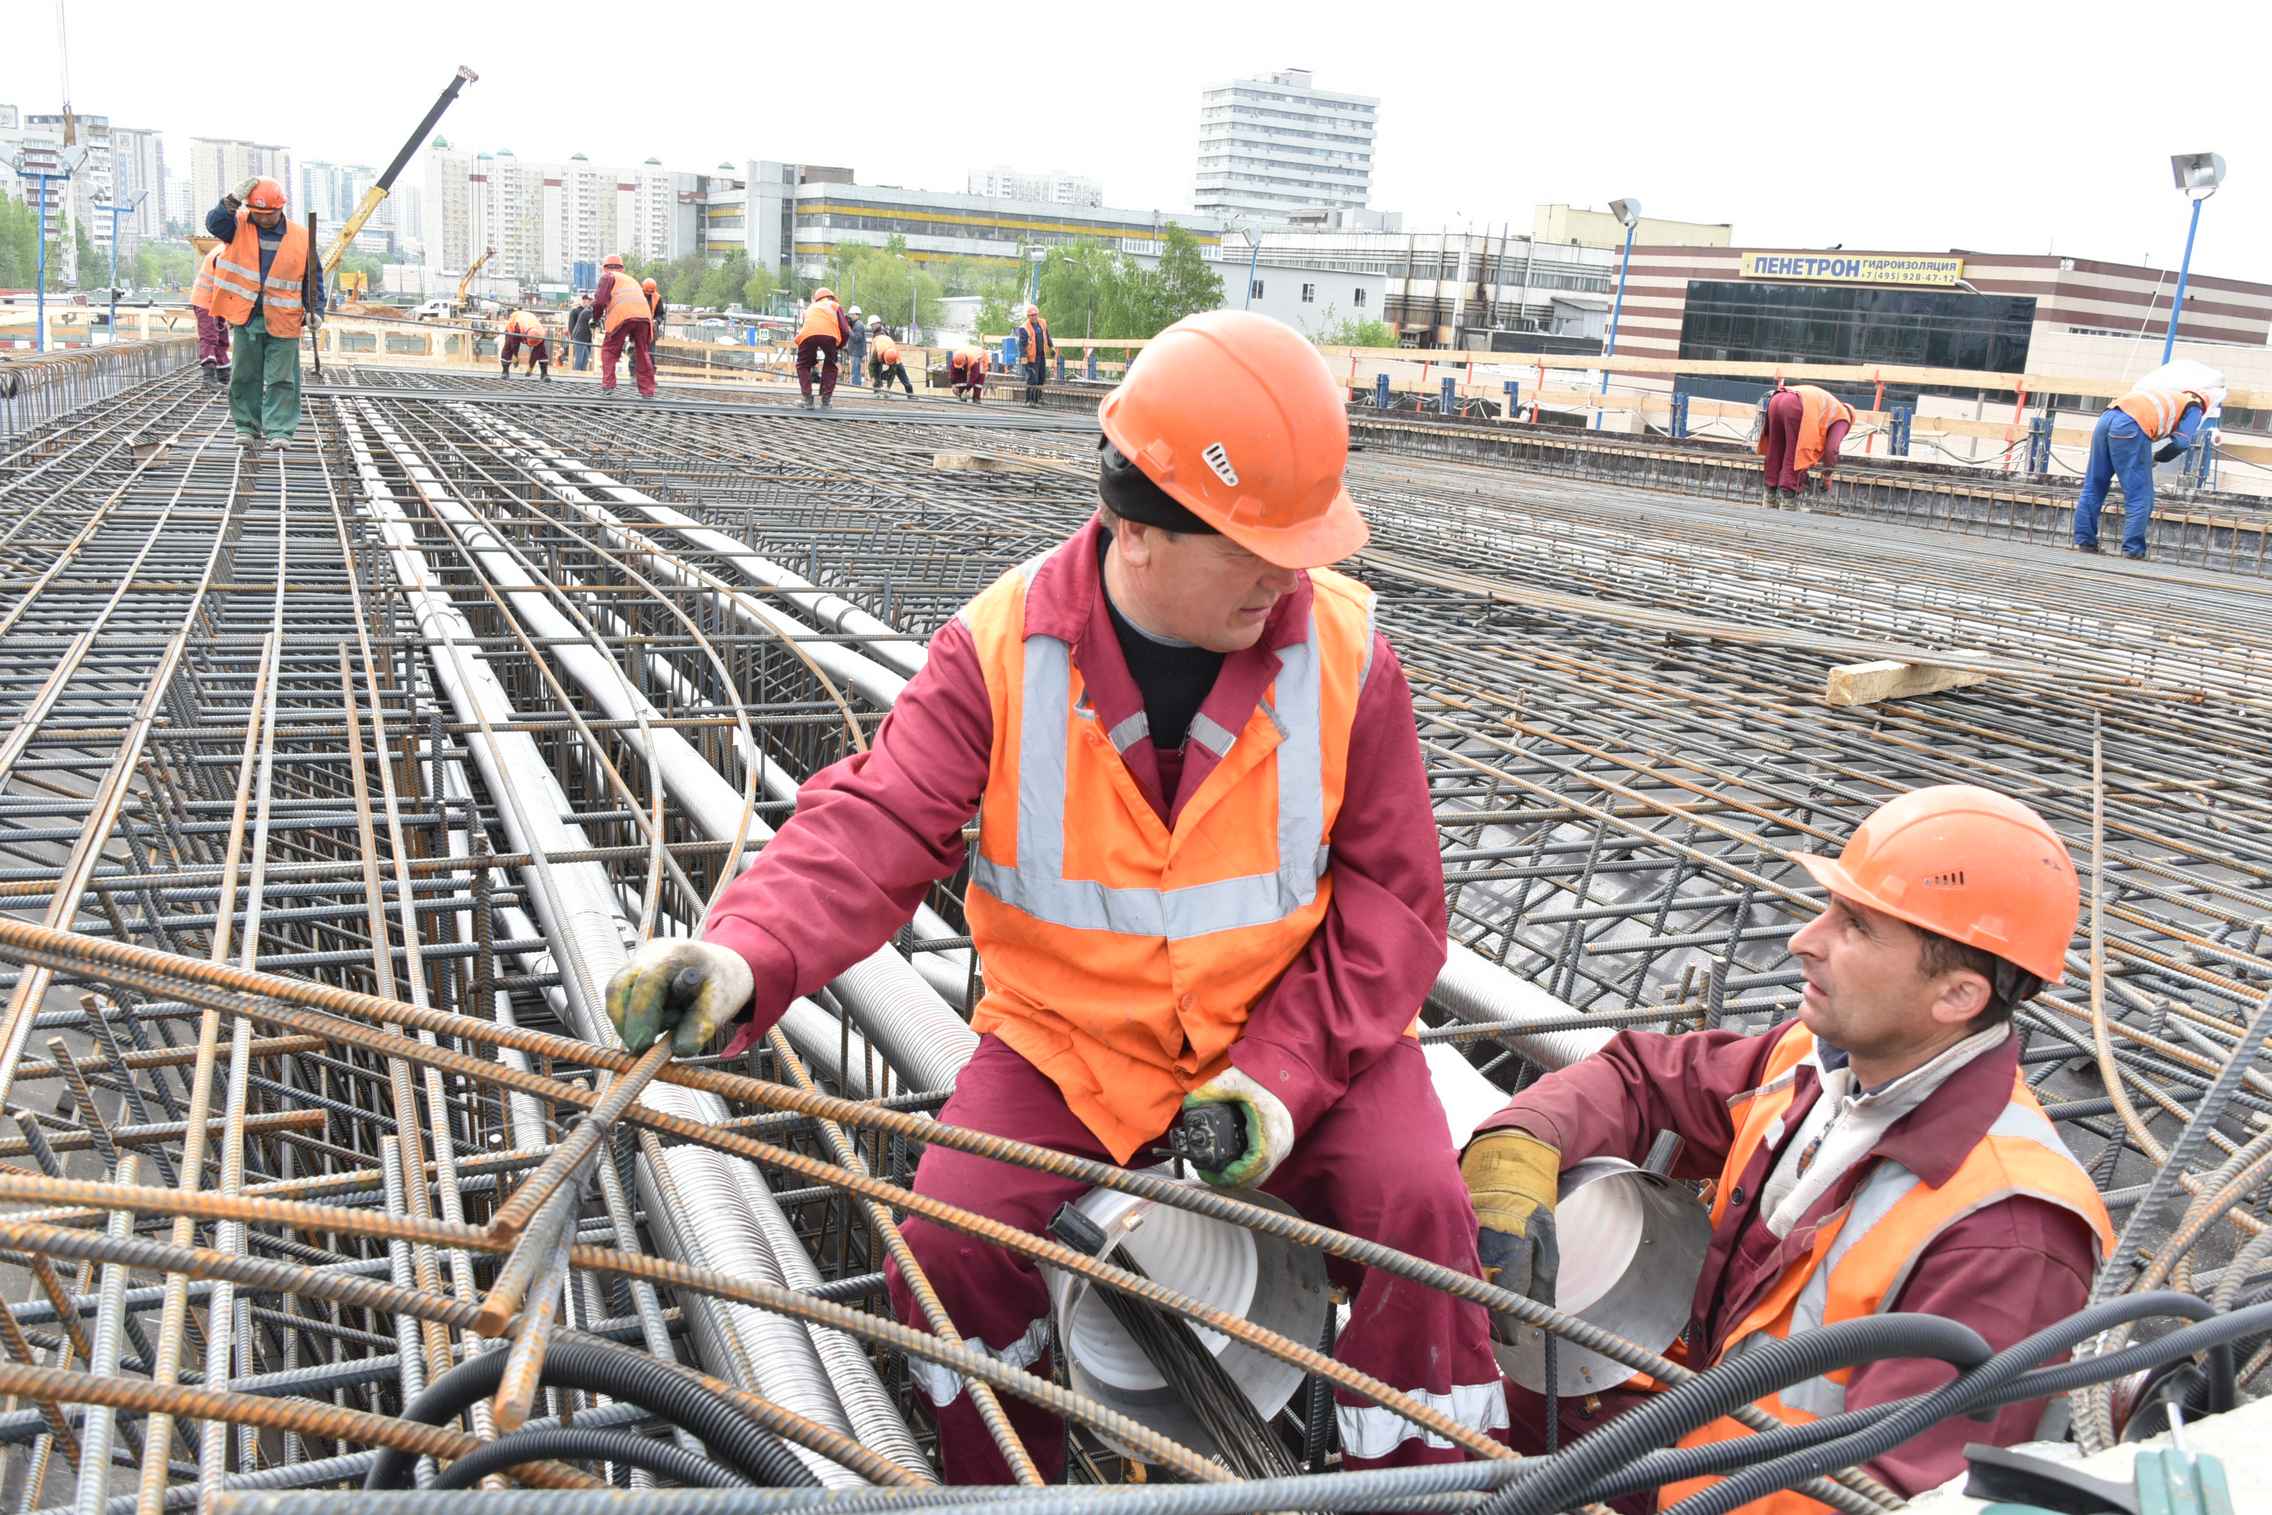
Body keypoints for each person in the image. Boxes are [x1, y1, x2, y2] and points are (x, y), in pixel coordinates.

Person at [601, 310, 1512, 1485]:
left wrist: (1284, 1080)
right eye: (1251, 545)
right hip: (1070, 1048)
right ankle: (1010, 1487)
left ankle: (1416, 1494)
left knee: (1417, 1214)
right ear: (1134, 526)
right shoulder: (997, 647)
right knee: (950, 1245)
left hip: (1300, 1036)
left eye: (1301, 543)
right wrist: (743, 953)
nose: (1288, 574)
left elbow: (1394, 902)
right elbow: (877, 819)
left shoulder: (1343, 654)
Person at [1463, 784, 2113, 1512]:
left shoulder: (2008, 1237)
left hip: (1736, 1495)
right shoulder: (1817, 1061)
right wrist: (1519, 1145)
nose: (1804, 939)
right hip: (1697, 1439)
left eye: (1857, 925)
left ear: (1958, 997)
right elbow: (1644, 1080)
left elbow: (1890, 1495)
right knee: (1498, 1386)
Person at [204, 176, 322, 451]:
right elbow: (214, 224)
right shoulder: (238, 225)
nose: (264, 219)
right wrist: (232, 201)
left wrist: (315, 311)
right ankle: (246, 425)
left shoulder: (301, 237)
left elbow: (313, 278)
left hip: (284, 319)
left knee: (283, 378)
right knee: (244, 374)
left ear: (281, 208)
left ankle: (280, 429)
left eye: (268, 214)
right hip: (246, 315)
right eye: (258, 213)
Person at [2072, 380, 2220, 560]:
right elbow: (2182, 442)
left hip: (2105, 419)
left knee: (2094, 485)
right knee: (2140, 495)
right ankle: (2133, 550)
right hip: (2130, 425)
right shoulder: (2194, 407)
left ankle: (2085, 543)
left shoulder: (2169, 395)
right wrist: (2159, 457)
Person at [1756, 383, 1853, 508]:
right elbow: (1831, 450)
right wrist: (1827, 475)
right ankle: (1788, 502)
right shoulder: (1843, 418)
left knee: (1776, 449)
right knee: (1795, 451)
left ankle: (1769, 497)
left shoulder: (1829, 407)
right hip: (1795, 405)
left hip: (1776, 399)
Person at [591, 253, 656, 399]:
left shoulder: (607, 277)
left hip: (621, 316)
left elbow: (600, 301)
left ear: (604, 268)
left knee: (609, 350)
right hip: (644, 317)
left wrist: (594, 319)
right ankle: (648, 391)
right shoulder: (631, 280)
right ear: (622, 268)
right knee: (642, 352)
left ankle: (608, 386)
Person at [795, 287, 851, 410]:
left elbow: (806, 328)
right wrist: (839, 346)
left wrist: (810, 357)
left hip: (807, 335)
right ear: (831, 297)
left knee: (803, 365)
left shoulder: (810, 308)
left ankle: (807, 399)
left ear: (816, 299)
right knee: (831, 366)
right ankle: (826, 401)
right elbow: (845, 330)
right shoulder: (835, 305)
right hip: (829, 336)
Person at [189, 245, 231, 386]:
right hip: (205, 300)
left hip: (217, 301)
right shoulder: (224, 253)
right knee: (209, 337)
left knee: (222, 338)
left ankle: (223, 375)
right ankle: (209, 378)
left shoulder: (229, 249)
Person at [1017, 302, 1055, 407]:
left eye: (1035, 314)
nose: (1034, 317)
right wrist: (1024, 361)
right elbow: (1021, 346)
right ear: (1028, 316)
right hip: (1031, 358)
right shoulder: (1024, 328)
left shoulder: (1042, 323)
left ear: (1038, 314)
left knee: (1041, 377)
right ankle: (1029, 400)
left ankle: (1038, 398)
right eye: (1032, 315)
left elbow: (1047, 336)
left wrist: (1051, 347)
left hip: (1041, 355)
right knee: (1032, 378)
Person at [499, 308, 551, 381]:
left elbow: (537, 352)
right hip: (515, 322)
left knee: (542, 352)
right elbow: (514, 343)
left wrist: (530, 367)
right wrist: (515, 355)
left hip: (529, 323)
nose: (530, 346)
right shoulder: (518, 327)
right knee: (508, 346)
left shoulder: (541, 334)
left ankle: (544, 374)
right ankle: (505, 372)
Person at [567, 294, 596, 372]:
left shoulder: (586, 310)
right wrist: (572, 337)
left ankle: (581, 373)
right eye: (586, 300)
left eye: (589, 300)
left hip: (586, 337)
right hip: (580, 337)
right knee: (579, 358)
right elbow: (571, 325)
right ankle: (577, 375)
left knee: (585, 358)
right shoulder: (576, 311)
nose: (587, 302)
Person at [845, 305, 867, 385]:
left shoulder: (859, 325)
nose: (850, 316)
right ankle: (856, 384)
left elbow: (856, 338)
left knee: (855, 370)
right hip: (855, 351)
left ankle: (856, 385)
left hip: (857, 352)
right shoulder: (855, 324)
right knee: (855, 370)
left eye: (851, 314)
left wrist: (849, 329)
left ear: (856, 315)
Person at [642, 277, 668, 342]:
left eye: (651, 291)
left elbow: (661, 314)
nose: (649, 293)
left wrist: (656, 321)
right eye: (647, 291)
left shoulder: (657, 298)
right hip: (638, 326)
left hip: (651, 328)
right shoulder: (637, 295)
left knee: (651, 350)